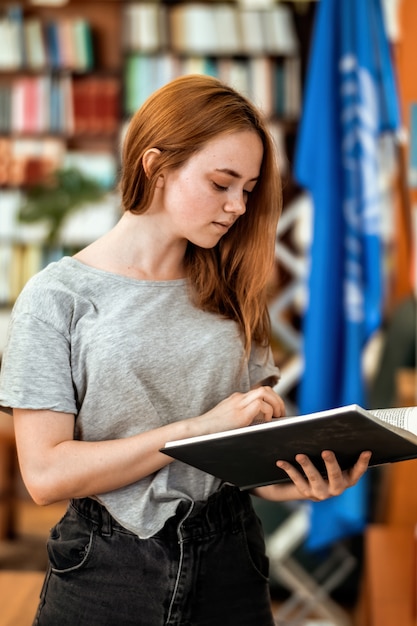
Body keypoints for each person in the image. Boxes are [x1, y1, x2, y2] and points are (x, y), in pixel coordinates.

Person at [0, 75, 371, 626]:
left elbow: (248, 463)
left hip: (231, 559)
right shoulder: (58, 297)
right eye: (222, 183)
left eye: (247, 189)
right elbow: (46, 474)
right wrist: (199, 429)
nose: (238, 206)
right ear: (156, 166)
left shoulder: (234, 290)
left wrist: (299, 477)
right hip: (105, 571)